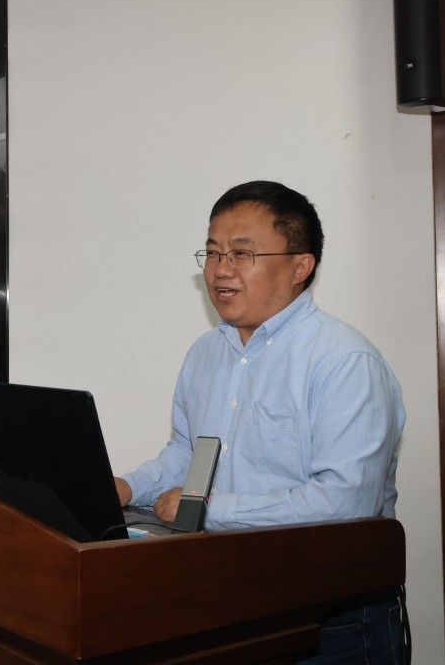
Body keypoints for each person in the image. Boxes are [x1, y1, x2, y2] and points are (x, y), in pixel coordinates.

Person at [114, 181, 407, 664]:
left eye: (242, 253)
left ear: (300, 267)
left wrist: (208, 510)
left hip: (333, 619)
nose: (220, 269)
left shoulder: (344, 361)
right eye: (213, 252)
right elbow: (189, 455)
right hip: (231, 601)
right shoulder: (205, 354)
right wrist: (126, 488)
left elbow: (345, 502)